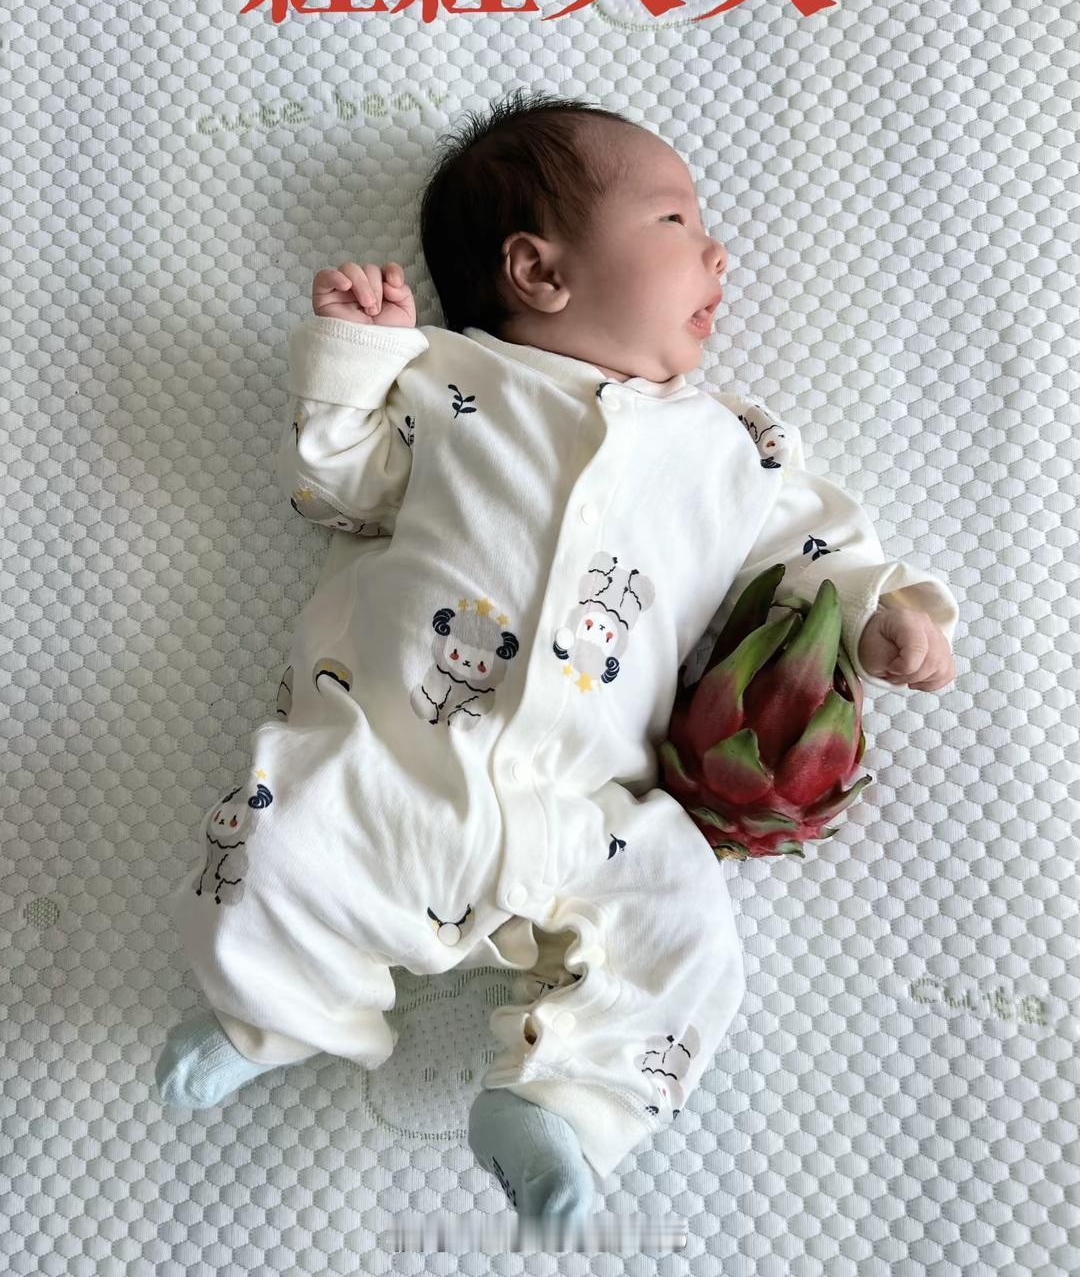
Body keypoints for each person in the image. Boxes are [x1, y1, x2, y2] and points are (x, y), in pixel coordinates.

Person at [155, 89, 959, 1233]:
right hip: (398, 761)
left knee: (685, 932)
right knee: (276, 834)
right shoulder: (447, 381)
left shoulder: (730, 445)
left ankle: (560, 1106)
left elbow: (811, 555)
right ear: (538, 271)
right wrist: (357, 356)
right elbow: (338, 486)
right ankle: (271, 1012)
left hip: (596, 805)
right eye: (675, 220)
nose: (718, 250)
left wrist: (882, 614)